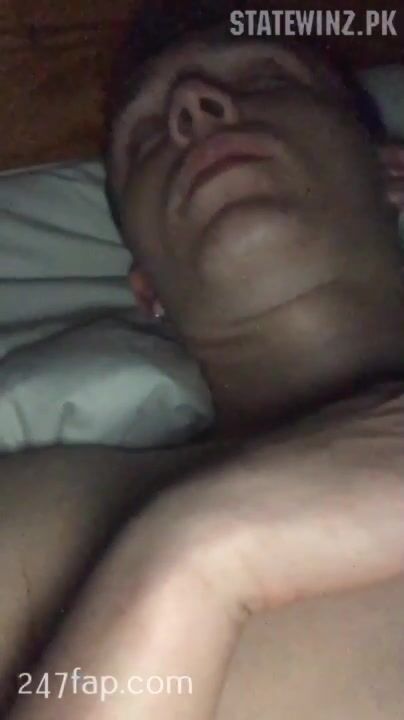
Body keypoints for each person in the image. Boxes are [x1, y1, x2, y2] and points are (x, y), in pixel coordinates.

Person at [3, 5, 404, 718]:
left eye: (266, 81)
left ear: (392, 172)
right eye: (147, 139)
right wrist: (198, 556)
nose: (193, 106)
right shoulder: (38, 525)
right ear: (147, 289)